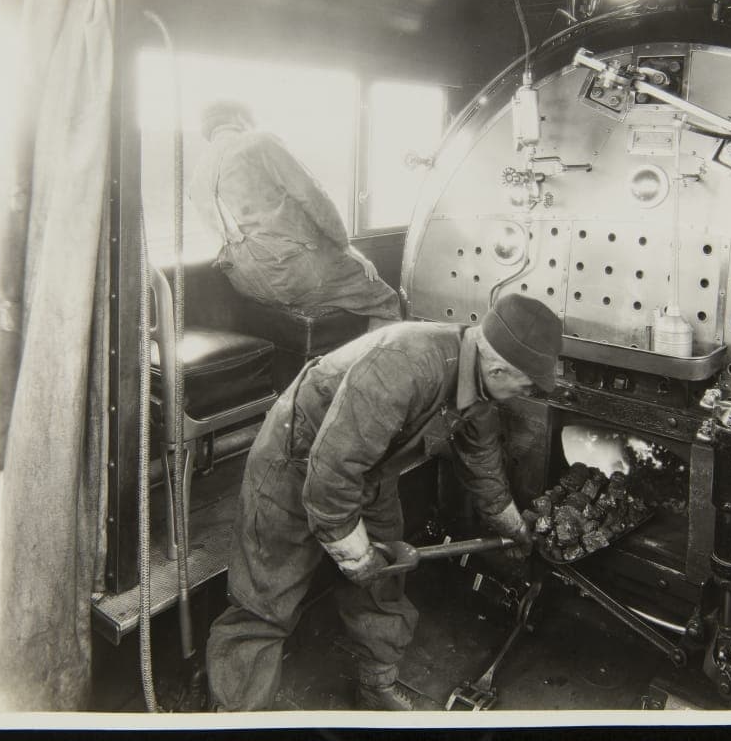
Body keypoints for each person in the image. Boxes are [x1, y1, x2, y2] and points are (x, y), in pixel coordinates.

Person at [206, 293, 564, 711]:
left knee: (385, 582)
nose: (527, 392)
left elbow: (481, 456)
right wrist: (356, 556)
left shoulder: (480, 378)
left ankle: (377, 685)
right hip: (297, 458)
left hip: (368, 468)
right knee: (264, 601)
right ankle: (237, 717)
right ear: (499, 366)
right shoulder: (406, 365)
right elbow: (331, 476)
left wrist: (511, 525)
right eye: (527, 384)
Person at [188, 99, 402, 327]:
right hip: (291, 273)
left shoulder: (198, 174)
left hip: (245, 281)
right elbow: (312, 196)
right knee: (385, 300)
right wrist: (345, 246)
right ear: (239, 118)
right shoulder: (258, 142)